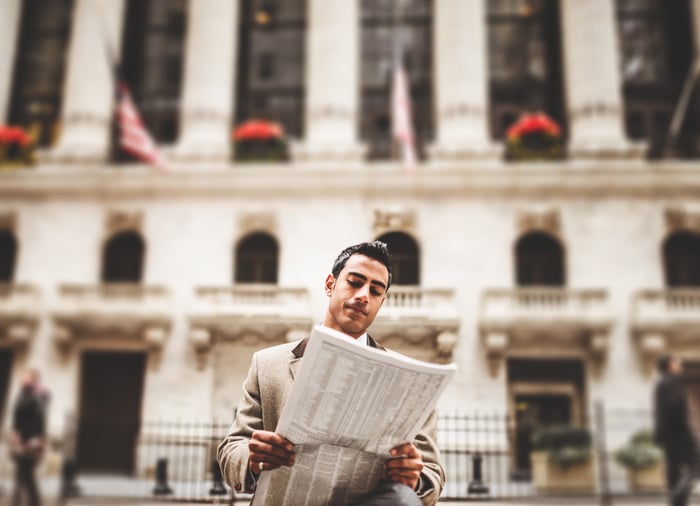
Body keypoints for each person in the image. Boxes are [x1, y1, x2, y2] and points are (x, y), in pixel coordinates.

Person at [218, 241, 444, 505]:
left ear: (381, 302)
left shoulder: (411, 379)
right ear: (330, 285)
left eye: (375, 290)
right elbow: (231, 449)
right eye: (355, 282)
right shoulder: (268, 364)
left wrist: (414, 478)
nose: (363, 295)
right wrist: (253, 457)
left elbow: (432, 474)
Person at [653, 354, 699, 506]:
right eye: (676, 361)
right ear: (670, 365)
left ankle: (677, 501)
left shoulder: (660, 383)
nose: (680, 363)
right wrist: (689, 433)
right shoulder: (673, 382)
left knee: (674, 470)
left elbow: (659, 412)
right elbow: (675, 410)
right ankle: (677, 494)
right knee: (696, 465)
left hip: (667, 436)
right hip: (679, 434)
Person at [10, 368, 50, 506]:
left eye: (25, 376)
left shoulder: (37, 395)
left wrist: (23, 436)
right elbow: (16, 416)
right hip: (22, 438)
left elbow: (38, 420)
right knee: (24, 474)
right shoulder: (22, 394)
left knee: (25, 473)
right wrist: (15, 432)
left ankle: (23, 502)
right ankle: (23, 501)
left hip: (31, 440)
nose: (21, 378)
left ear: (33, 379)